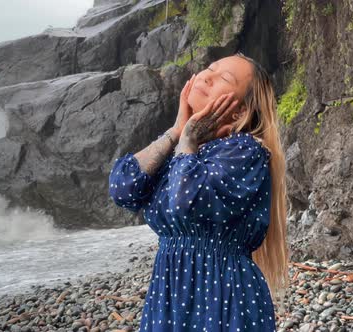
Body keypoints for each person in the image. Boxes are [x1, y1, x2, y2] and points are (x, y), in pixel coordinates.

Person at [108, 52, 289, 331]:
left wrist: (189, 140)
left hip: (223, 296)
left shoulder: (246, 150)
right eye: (209, 69)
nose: (206, 76)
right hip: (169, 295)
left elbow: (187, 203)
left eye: (223, 78)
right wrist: (177, 131)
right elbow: (124, 187)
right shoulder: (181, 152)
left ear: (239, 111)